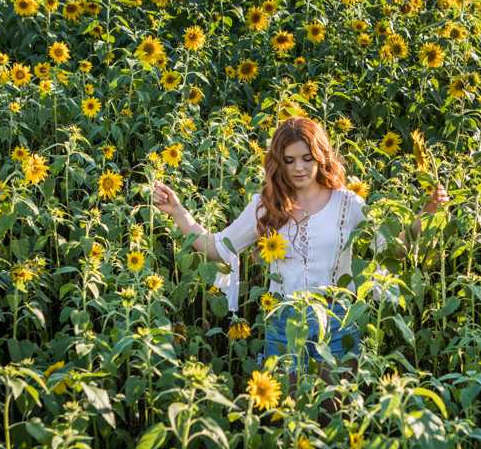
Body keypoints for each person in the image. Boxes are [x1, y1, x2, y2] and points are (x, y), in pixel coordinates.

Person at [152, 115, 448, 375]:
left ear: (321, 156)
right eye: (290, 160)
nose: (299, 168)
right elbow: (218, 247)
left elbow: (391, 251)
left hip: (337, 321)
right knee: (287, 417)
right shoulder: (267, 206)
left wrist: (426, 214)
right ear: (279, 163)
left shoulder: (348, 204)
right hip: (284, 322)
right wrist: (179, 212)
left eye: (307, 158)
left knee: (335, 413)